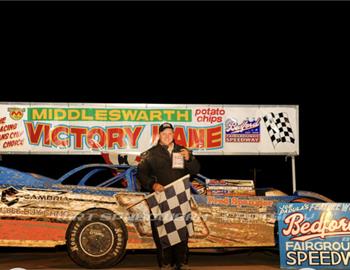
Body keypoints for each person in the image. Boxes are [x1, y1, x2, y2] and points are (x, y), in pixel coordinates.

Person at [137, 122, 200, 270]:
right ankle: (165, 264)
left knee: (181, 232)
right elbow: (141, 174)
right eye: (164, 133)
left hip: (180, 199)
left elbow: (196, 170)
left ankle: (182, 263)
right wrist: (152, 185)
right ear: (159, 135)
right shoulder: (149, 154)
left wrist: (190, 158)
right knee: (162, 233)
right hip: (160, 200)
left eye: (170, 133)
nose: (167, 136)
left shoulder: (183, 151)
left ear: (173, 134)